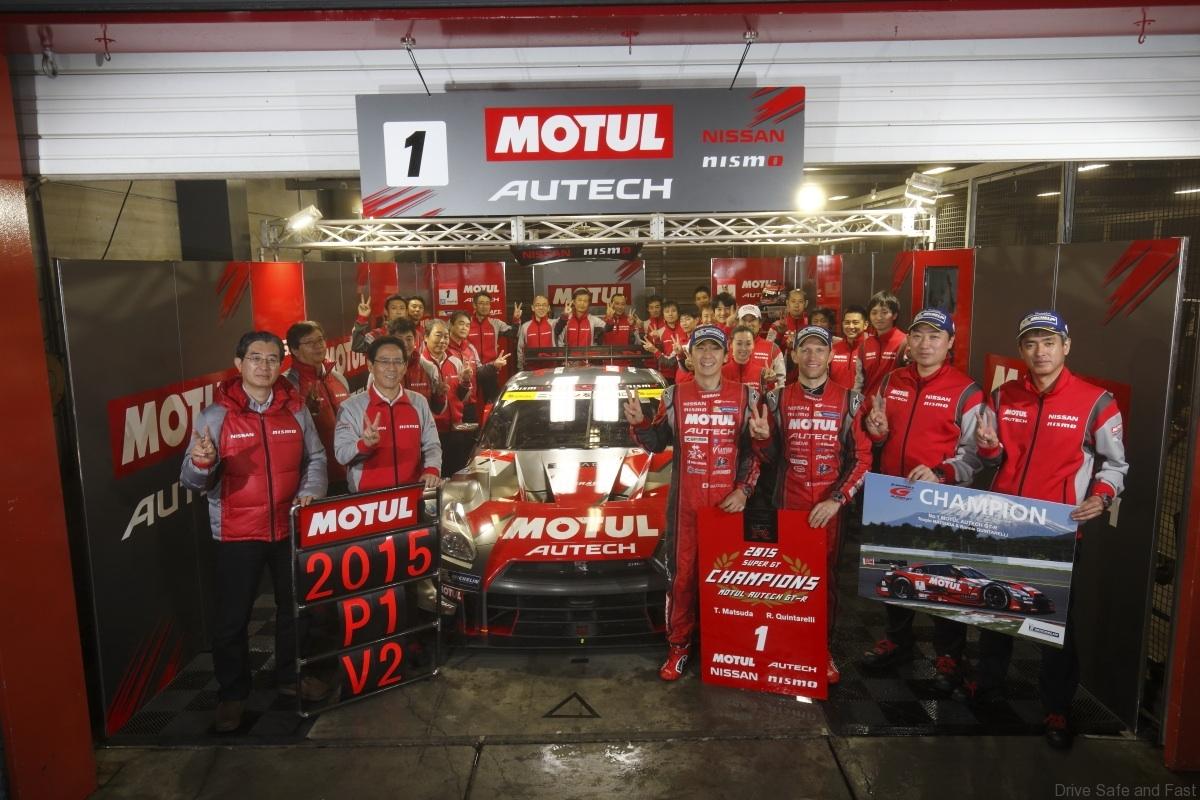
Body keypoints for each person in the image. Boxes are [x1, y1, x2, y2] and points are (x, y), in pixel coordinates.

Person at [965, 310, 1128, 749]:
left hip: (1057, 530)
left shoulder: (1096, 401)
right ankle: (988, 684)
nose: (1040, 352)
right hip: (1001, 522)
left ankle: (1056, 706)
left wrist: (1102, 496)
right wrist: (988, 447)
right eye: (1031, 343)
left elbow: (1116, 465)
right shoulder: (1003, 396)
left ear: (1066, 347)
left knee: (1053, 624)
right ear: (1021, 350)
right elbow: (992, 458)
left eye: (1049, 342)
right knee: (995, 610)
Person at [180, 331, 328, 733]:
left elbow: (316, 457)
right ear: (238, 363)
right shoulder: (215, 416)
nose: (264, 366)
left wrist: (312, 490)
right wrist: (201, 463)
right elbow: (191, 482)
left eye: (272, 359)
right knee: (232, 620)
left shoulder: (295, 409)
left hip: (289, 527)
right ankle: (232, 694)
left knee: (294, 609)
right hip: (236, 534)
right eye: (255, 358)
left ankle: (290, 676)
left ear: (281, 364)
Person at [858, 308, 985, 694]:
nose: (925, 344)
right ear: (908, 341)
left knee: (944, 579)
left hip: (941, 501)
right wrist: (876, 432)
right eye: (918, 336)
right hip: (892, 496)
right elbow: (877, 434)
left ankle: (949, 656)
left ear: (950, 343)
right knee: (894, 573)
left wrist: (941, 473)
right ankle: (898, 641)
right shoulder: (891, 381)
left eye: (934, 336)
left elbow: (975, 457)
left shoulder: (967, 392)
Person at [624, 326, 760, 681]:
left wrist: (744, 490)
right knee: (682, 579)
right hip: (686, 507)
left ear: (725, 355)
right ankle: (679, 646)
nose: (707, 355)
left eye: (715, 348)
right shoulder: (673, 396)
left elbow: (754, 453)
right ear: (690, 355)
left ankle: (728, 649)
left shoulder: (745, 396)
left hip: (728, 507)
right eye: (701, 348)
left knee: (729, 579)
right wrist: (639, 424)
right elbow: (656, 443)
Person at [750, 325, 872, 684]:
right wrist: (762, 440)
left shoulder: (851, 401)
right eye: (805, 349)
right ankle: (785, 647)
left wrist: (837, 499)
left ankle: (821, 649)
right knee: (787, 581)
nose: (812, 356)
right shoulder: (777, 400)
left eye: (820, 349)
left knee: (825, 582)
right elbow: (768, 457)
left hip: (829, 511)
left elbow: (863, 459)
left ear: (831, 356)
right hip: (788, 505)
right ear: (793, 355)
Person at [334, 336, 442, 492]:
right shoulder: (351, 407)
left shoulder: (419, 402)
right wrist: (364, 444)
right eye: (384, 361)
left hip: (412, 495)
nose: (392, 368)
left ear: (405, 366)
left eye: (398, 362)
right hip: (369, 499)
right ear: (370, 366)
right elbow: (341, 454)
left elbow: (432, 445)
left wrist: (431, 469)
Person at [284, 320, 350, 491]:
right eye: (309, 342)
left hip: (348, 473)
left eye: (320, 340)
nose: (318, 346)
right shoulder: (287, 386)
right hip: (315, 482)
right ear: (294, 350)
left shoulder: (338, 378)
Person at [421, 319, 475, 475]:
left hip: (456, 430)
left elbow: (462, 398)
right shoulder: (420, 364)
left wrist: (465, 382)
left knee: (457, 476)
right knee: (435, 477)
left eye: (446, 336)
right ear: (426, 337)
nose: (443, 340)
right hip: (432, 433)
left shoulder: (455, 361)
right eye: (438, 335)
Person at [467, 291, 516, 403]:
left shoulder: (496, 323)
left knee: (492, 404)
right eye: (481, 303)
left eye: (487, 303)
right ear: (474, 305)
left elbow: (513, 333)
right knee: (470, 404)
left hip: (490, 369)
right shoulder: (466, 323)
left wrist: (516, 320)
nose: (484, 306)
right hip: (470, 371)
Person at [390, 319, 446, 413]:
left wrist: (439, 395)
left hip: (420, 422)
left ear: (415, 340)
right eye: (399, 339)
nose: (404, 344)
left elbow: (438, 410)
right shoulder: (379, 370)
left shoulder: (429, 368)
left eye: (409, 339)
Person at [861, 291, 908, 395]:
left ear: (894, 315)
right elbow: (859, 381)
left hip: (893, 402)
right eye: (874, 313)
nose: (879, 317)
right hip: (866, 403)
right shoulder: (865, 344)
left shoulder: (905, 342)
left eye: (884, 312)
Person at [736, 305, 786, 385]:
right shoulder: (728, 347)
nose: (748, 324)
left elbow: (781, 383)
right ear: (737, 324)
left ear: (760, 324)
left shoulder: (773, 348)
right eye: (744, 320)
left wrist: (772, 380)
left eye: (752, 320)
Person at [642, 300, 687, 383]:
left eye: (673, 311)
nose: (670, 314)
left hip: (684, 373)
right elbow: (660, 354)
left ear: (678, 313)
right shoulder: (660, 332)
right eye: (667, 311)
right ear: (663, 315)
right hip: (666, 374)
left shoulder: (685, 328)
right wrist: (657, 341)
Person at [830, 304, 867, 392]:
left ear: (865, 325)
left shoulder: (871, 349)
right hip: (835, 398)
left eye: (855, 322)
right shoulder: (833, 348)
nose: (851, 326)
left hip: (861, 399)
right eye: (847, 322)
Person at [516, 294, 556, 370]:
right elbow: (520, 349)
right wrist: (520, 368)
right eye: (538, 305)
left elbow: (564, 321)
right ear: (532, 308)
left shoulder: (554, 324)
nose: (541, 307)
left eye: (544, 305)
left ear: (548, 308)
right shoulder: (525, 326)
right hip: (530, 369)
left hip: (550, 369)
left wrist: (566, 314)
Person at [766, 288, 810, 353]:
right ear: (787, 303)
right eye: (793, 301)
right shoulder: (776, 325)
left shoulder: (811, 324)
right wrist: (780, 335)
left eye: (800, 301)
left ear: (806, 303)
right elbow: (768, 351)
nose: (796, 305)